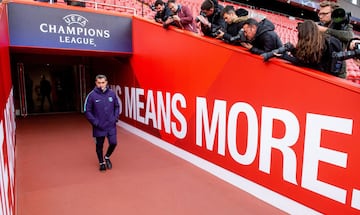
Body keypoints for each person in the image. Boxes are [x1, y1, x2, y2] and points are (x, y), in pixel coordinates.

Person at [84, 74, 120, 171]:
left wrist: (115, 117)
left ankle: (107, 157)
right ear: (96, 83)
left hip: (111, 125)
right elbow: (87, 111)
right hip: (99, 127)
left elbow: (117, 106)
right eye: (99, 83)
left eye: (103, 82)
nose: (101, 85)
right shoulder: (91, 96)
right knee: (99, 145)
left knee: (113, 143)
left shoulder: (112, 94)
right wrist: (96, 123)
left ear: (106, 82)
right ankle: (101, 162)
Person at [317, 1, 354, 78]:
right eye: (320, 13)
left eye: (324, 14)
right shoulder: (320, 25)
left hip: (337, 69)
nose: (320, 16)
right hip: (321, 65)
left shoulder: (344, 24)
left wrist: (325, 30)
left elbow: (349, 36)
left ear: (334, 13)